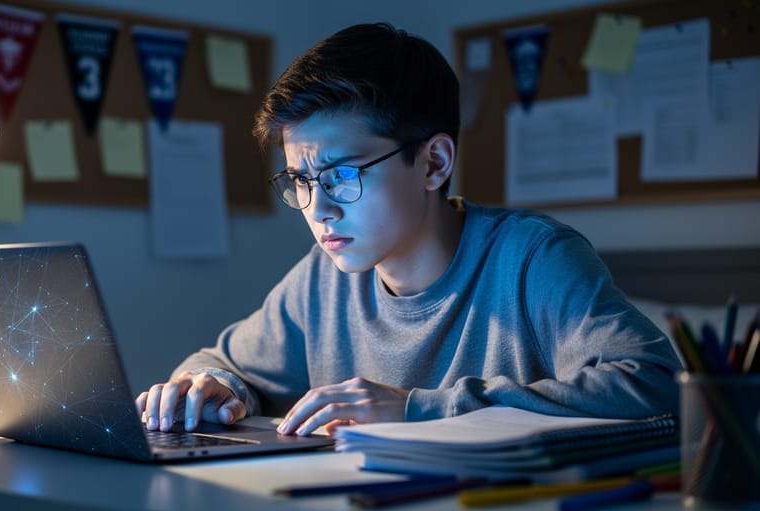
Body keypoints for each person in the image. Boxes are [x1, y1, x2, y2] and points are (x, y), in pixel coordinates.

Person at [136, 22, 681, 437]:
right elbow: (222, 363)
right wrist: (213, 388)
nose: (318, 208)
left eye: (342, 175)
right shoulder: (323, 280)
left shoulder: (532, 258)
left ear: (433, 163)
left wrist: (418, 408)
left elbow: (657, 385)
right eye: (300, 179)